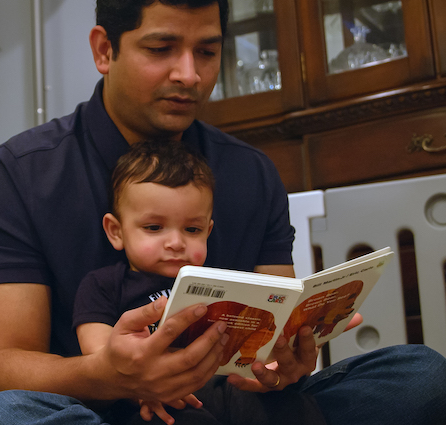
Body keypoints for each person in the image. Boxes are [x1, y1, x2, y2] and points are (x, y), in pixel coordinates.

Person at [0, 0, 446, 425]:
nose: (190, 75)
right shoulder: (20, 176)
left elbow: (275, 330)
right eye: (161, 48)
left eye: (206, 51)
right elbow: (3, 363)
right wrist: (107, 374)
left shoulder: (249, 172)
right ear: (104, 50)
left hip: (233, 409)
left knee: (423, 377)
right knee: (1, 417)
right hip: (97, 409)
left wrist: (281, 367)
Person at [74, 139, 325, 425]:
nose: (175, 242)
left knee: (293, 406)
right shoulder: (103, 285)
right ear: (116, 231)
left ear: (208, 231)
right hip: (155, 402)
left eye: (192, 229)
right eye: (154, 227)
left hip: (231, 387)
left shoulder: (222, 282)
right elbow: (101, 358)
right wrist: (137, 388)